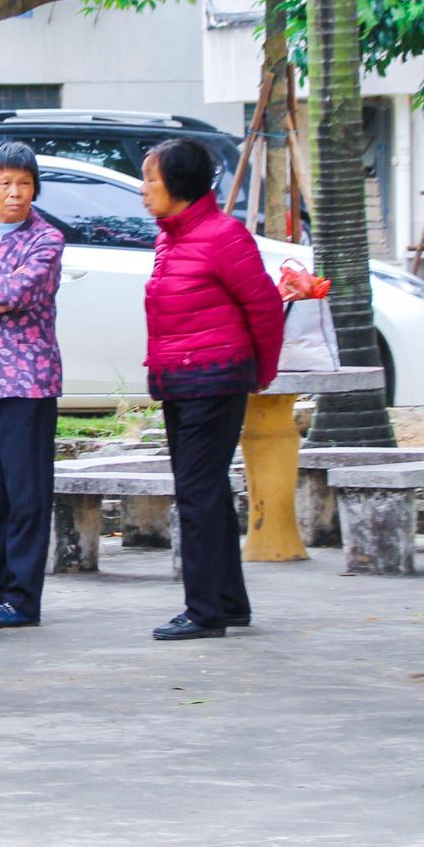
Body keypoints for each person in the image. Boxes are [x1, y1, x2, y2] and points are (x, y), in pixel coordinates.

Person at [139, 137, 285, 641]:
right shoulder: (170, 237)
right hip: (180, 382)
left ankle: (204, 612)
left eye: (151, 180)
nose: (143, 191)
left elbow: (265, 307)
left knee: (197, 494)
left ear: (178, 184)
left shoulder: (224, 236)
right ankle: (227, 601)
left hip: (215, 380)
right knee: (208, 491)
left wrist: (261, 372)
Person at [0, 140, 65, 630]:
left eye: (24, 183)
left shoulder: (48, 240)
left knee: (26, 492)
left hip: (28, 382)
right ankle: (2, 588)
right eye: (6, 183)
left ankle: (24, 597)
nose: (16, 193)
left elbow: (22, 290)